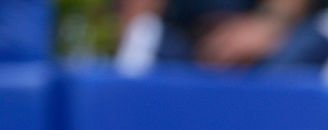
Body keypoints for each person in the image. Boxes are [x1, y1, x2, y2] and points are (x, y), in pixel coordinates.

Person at [115, 0, 315, 75]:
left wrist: (265, 28)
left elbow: (283, 10)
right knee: (143, 41)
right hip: (182, 39)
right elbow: (139, 13)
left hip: (262, 40)